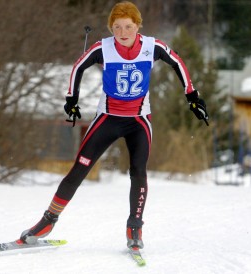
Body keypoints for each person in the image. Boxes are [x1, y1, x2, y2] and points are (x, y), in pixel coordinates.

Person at [20, 1, 209, 249]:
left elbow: (177, 62)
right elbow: (79, 66)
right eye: (117, 27)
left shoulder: (152, 46)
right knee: (79, 168)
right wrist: (71, 99)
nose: (122, 33)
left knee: (138, 172)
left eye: (128, 27)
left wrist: (192, 97)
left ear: (137, 26)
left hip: (139, 121)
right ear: (111, 28)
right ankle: (47, 221)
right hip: (107, 118)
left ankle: (135, 229)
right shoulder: (103, 48)